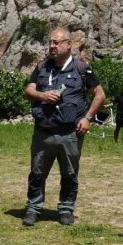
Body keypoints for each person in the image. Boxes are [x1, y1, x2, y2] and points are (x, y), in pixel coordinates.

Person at [23, 28, 106, 226]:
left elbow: (100, 95)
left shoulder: (82, 68)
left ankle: (66, 209)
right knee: (37, 172)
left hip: (70, 133)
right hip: (43, 131)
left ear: (69, 44)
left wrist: (87, 118)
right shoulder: (42, 67)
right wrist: (43, 95)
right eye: (50, 42)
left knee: (69, 173)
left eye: (56, 42)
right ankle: (34, 208)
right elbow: (28, 90)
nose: (52, 46)